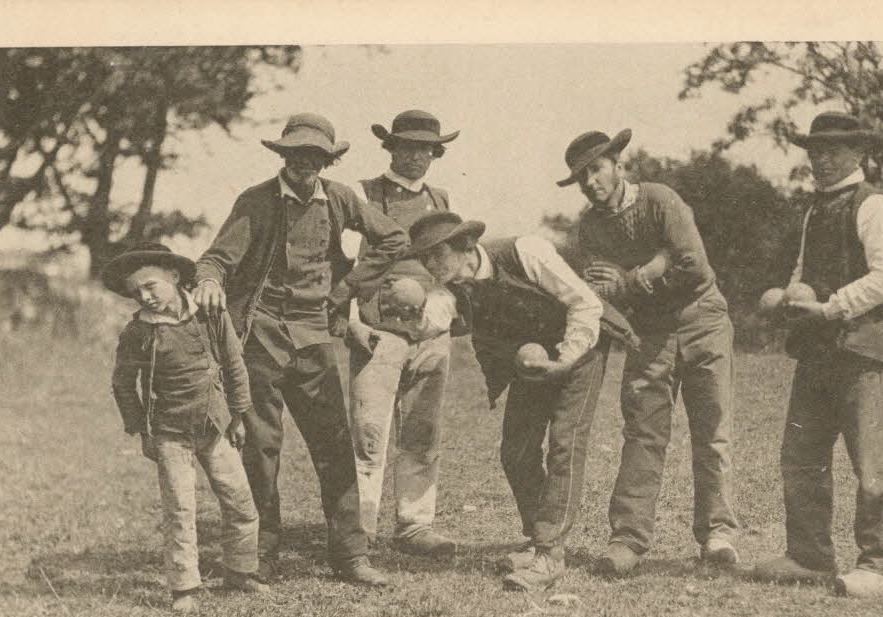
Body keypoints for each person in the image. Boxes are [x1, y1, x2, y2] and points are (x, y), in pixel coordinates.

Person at [193, 113, 407, 586]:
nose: (304, 163)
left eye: (315, 156)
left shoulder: (340, 198)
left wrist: (348, 288)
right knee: (260, 447)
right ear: (284, 156)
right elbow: (216, 258)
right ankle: (259, 555)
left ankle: (350, 555)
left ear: (327, 161)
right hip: (261, 337)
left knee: (334, 445)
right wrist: (208, 281)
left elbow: (393, 238)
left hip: (314, 338)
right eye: (296, 154)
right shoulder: (256, 201)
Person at [404, 211, 638, 591]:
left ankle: (549, 554)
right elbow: (431, 320)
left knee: (565, 444)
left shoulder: (525, 251)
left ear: (466, 246)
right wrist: (404, 311)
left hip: (582, 346)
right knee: (516, 450)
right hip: (533, 359)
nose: (431, 264)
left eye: (437, 253)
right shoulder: (450, 289)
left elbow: (585, 305)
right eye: (424, 258)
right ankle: (536, 538)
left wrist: (565, 358)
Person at [565, 128, 740, 575]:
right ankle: (628, 538)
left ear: (618, 165)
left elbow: (693, 266)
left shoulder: (660, 200)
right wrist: (650, 268)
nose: (590, 182)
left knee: (712, 429)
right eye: (581, 177)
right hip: (649, 333)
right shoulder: (591, 228)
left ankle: (718, 534)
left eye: (596, 170)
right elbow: (604, 293)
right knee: (642, 433)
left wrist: (630, 279)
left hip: (703, 321)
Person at [753, 111, 883, 598]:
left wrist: (830, 308)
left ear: (858, 153)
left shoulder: (877, 207)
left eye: (833, 150)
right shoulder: (814, 211)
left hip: (860, 350)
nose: (820, 160)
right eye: (815, 151)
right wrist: (790, 300)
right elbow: (802, 271)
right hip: (817, 351)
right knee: (801, 455)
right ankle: (810, 556)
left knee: (870, 462)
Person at [108, 242, 269, 613]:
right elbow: (122, 383)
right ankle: (184, 588)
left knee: (240, 500)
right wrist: (142, 430)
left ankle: (240, 571)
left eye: (151, 286)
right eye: (136, 292)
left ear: (175, 276)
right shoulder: (138, 332)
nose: (145, 297)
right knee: (180, 509)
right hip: (169, 433)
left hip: (215, 424)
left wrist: (238, 416)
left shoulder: (210, 315)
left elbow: (234, 364)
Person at [345, 110, 461, 557]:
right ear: (391, 148)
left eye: (426, 148)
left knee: (422, 431)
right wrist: (353, 321)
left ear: (436, 153)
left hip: (429, 331)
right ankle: (361, 528)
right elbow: (345, 265)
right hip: (378, 329)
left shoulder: (441, 198)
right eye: (408, 146)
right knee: (369, 433)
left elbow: (450, 269)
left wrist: (440, 316)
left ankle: (415, 525)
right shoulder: (364, 194)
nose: (417, 156)